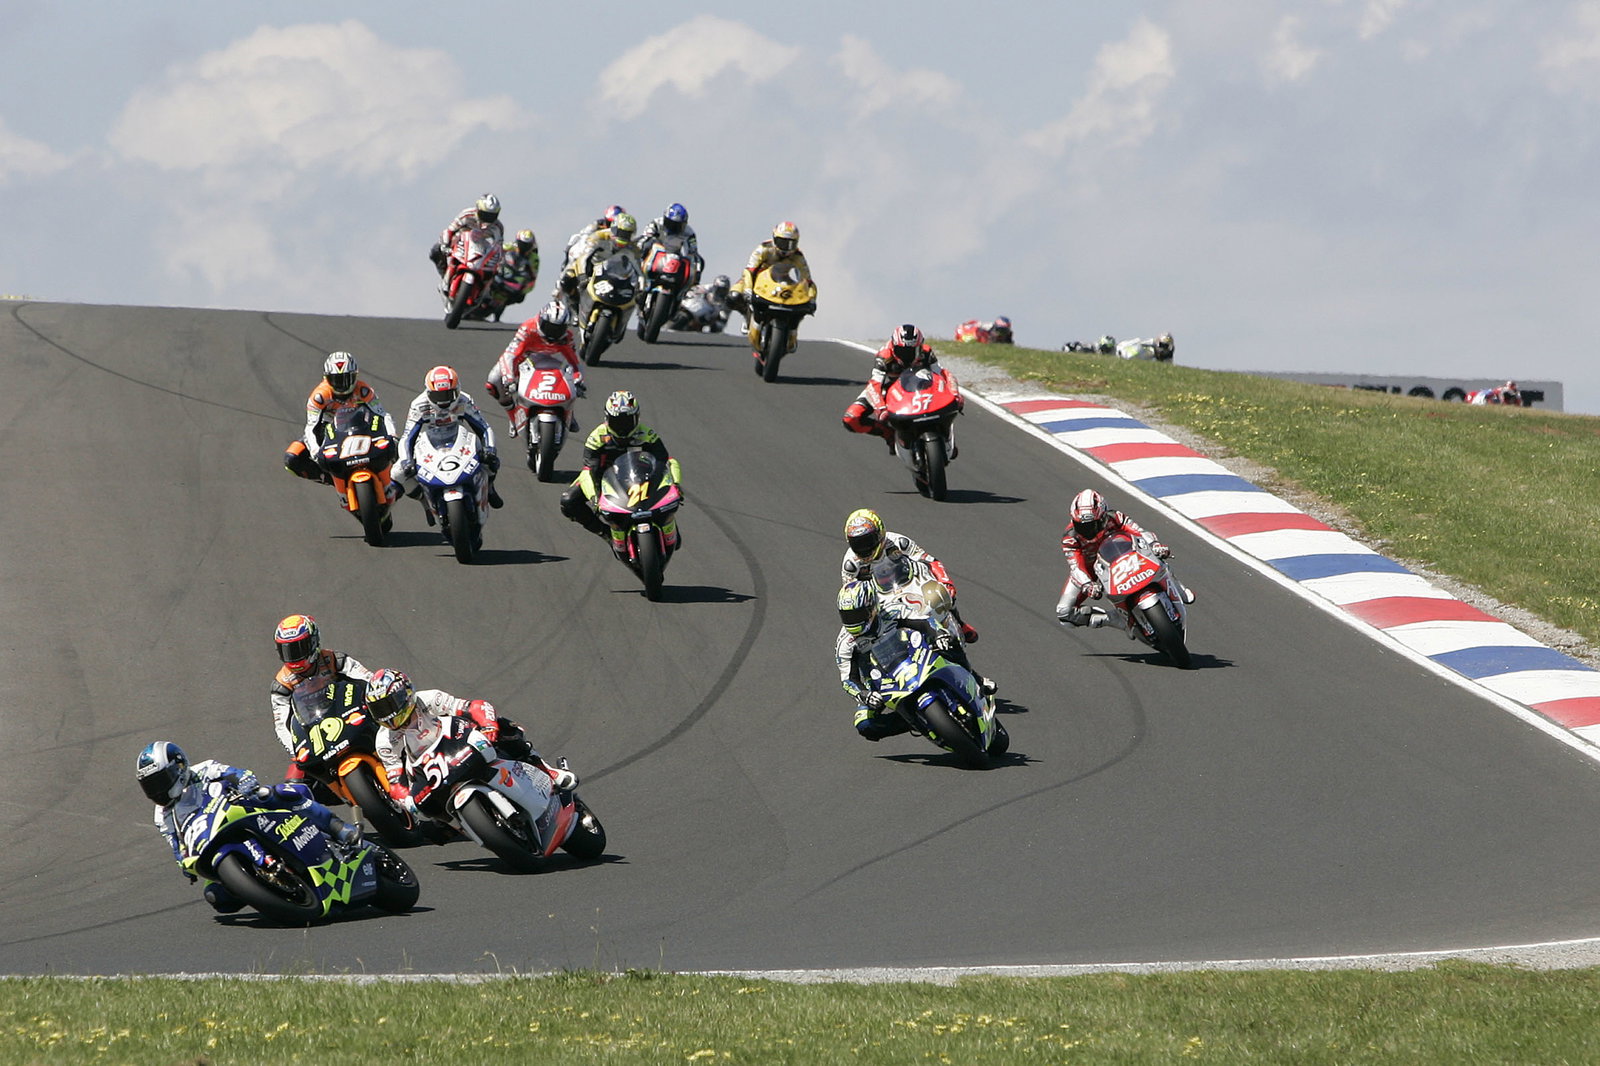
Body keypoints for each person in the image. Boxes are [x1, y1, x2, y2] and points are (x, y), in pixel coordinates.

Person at [137, 740, 360, 913]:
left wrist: (244, 781)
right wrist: (183, 863)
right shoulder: (162, 814)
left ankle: (338, 828)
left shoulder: (204, 770)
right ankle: (269, 890)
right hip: (209, 840)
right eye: (150, 786)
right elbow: (176, 843)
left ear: (179, 766)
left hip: (240, 811)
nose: (157, 790)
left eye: (160, 781)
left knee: (280, 792)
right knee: (217, 898)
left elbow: (235, 773)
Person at [366, 669, 578, 818]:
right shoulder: (384, 740)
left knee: (506, 728)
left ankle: (548, 771)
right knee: (431, 824)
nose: (387, 714)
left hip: (456, 743)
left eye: (388, 705)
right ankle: (455, 823)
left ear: (406, 694)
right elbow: (395, 779)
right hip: (428, 771)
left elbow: (472, 707)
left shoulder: (428, 699)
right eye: (379, 710)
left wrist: (488, 725)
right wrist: (406, 800)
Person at [834, 581, 968, 742]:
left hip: (916, 654)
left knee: (949, 642)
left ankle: (971, 677)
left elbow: (924, 621)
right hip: (880, 681)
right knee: (865, 724)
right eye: (847, 616)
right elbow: (848, 679)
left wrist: (938, 634)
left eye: (857, 614)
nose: (852, 621)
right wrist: (864, 694)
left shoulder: (891, 610)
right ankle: (917, 720)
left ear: (871, 607)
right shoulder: (845, 643)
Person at [839, 508, 985, 650]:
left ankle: (958, 621)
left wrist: (945, 581)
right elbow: (852, 594)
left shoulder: (898, 542)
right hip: (879, 597)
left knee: (939, 594)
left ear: (880, 533)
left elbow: (929, 560)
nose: (863, 548)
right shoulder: (851, 564)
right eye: (857, 544)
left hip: (908, 583)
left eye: (867, 541)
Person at [1054, 488, 1194, 634]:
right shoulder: (1070, 537)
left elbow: (1139, 531)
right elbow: (1076, 567)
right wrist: (1087, 584)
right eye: (1081, 525)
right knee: (1064, 613)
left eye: (1093, 525)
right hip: (1090, 570)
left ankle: (1177, 588)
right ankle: (1116, 620)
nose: (1088, 530)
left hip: (1122, 556)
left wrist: (1154, 545)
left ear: (1103, 516)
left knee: (1157, 556)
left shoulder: (1115, 517)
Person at [558, 389, 682, 551]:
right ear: (607, 419)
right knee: (569, 501)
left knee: (676, 541)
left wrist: (674, 485)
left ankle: (664, 520)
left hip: (640, 477)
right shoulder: (596, 438)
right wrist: (596, 498)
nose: (623, 428)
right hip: (604, 479)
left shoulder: (647, 434)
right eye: (618, 422)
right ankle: (606, 533)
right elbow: (590, 471)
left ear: (637, 418)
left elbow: (664, 461)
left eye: (627, 421)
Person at [269, 613, 376, 789]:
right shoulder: (281, 685)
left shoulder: (335, 659)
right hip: (314, 731)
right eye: (288, 651)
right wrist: (294, 749)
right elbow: (282, 725)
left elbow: (368, 680)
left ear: (313, 642)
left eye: (299, 648)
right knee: (294, 786)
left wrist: (375, 702)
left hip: (349, 712)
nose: (294, 657)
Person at [283, 351, 399, 487]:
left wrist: (393, 436)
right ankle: (334, 478)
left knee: (400, 449)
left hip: (362, 427)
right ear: (327, 378)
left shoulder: (364, 390)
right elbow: (311, 427)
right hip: (330, 432)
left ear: (355, 376)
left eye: (346, 379)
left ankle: (397, 477)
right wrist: (315, 450)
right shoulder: (319, 396)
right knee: (292, 458)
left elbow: (383, 415)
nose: (342, 385)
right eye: (337, 380)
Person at [397, 365, 504, 510]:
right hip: (430, 440)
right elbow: (407, 436)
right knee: (398, 473)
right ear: (428, 393)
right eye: (438, 396)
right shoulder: (419, 405)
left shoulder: (464, 400)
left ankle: (490, 488)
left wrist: (489, 449)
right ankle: (425, 502)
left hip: (459, 437)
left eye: (448, 395)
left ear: (457, 389)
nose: (443, 401)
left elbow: (484, 427)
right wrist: (406, 461)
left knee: (490, 461)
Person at [842, 324, 960, 444]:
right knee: (851, 418)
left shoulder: (926, 352)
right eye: (902, 351)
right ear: (893, 346)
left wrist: (955, 394)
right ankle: (888, 434)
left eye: (912, 351)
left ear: (920, 346)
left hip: (921, 387)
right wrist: (881, 409)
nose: (907, 356)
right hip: (891, 388)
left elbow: (944, 375)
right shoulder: (884, 357)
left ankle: (945, 433)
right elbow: (874, 385)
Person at [484, 301, 586, 432]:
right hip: (523, 360)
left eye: (558, 329)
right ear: (541, 320)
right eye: (549, 327)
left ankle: (569, 412)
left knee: (572, 380)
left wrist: (579, 380)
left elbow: (575, 362)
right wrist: (508, 378)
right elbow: (510, 355)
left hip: (550, 361)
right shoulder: (528, 328)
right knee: (494, 381)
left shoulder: (566, 337)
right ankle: (513, 417)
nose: (553, 333)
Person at [558, 212, 641, 312]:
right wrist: (582, 276)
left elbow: (639, 269)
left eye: (627, 235)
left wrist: (641, 286)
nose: (624, 238)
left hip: (614, 274)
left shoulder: (633, 247)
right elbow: (583, 257)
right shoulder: (598, 237)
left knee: (634, 299)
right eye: (622, 233)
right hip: (591, 268)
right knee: (566, 280)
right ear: (614, 229)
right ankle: (575, 307)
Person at [727, 221, 809, 319]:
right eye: (782, 242)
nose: (786, 248)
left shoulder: (798, 256)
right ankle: (747, 314)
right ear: (774, 238)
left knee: (801, 306)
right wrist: (748, 289)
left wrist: (809, 297)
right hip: (757, 280)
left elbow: (806, 278)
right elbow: (749, 270)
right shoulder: (764, 248)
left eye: (791, 244)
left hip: (782, 282)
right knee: (733, 296)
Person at [430, 193, 503, 274]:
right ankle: (445, 275)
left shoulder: (497, 227)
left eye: (491, 215)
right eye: (485, 214)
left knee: (497, 275)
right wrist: (445, 245)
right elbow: (450, 230)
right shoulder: (466, 215)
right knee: (436, 251)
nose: (488, 218)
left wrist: (499, 263)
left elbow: (499, 248)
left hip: (482, 250)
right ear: (478, 209)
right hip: (461, 243)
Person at [635, 202, 704, 286]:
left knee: (699, 261)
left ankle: (688, 289)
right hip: (655, 254)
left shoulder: (689, 233)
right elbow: (645, 237)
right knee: (644, 244)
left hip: (674, 258)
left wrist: (696, 273)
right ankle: (637, 270)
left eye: (677, 225)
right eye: (670, 223)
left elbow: (692, 252)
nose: (672, 227)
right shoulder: (656, 223)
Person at [488, 228, 540, 321]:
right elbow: (494, 250)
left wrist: (523, 290)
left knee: (519, 297)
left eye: (527, 245)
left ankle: (497, 316)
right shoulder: (510, 246)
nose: (524, 247)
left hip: (516, 278)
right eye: (522, 244)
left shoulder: (534, 257)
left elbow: (533, 277)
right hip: (501, 270)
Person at [561, 204, 627, 276]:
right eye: (610, 222)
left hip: (607, 257)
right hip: (589, 251)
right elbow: (584, 236)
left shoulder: (621, 233)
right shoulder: (596, 225)